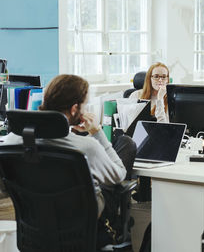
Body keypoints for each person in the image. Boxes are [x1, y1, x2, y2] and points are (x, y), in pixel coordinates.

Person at [0, 74, 136, 218]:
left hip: (33, 222)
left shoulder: (12, 142)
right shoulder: (87, 147)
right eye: (85, 105)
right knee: (126, 143)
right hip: (82, 220)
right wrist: (97, 132)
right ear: (74, 108)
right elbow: (118, 175)